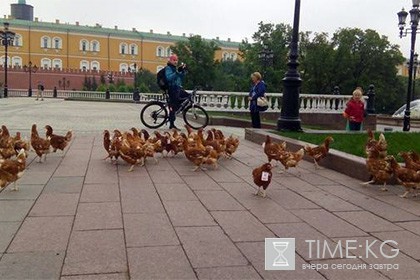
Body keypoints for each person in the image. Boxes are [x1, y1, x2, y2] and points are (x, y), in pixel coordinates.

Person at [165, 54, 188, 130]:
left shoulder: (175, 68)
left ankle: (176, 109)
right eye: (173, 60)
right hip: (172, 89)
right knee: (173, 106)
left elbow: (180, 77)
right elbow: (169, 78)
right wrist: (177, 72)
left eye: (176, 60)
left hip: (178, 88)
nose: (175, 61)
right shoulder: (168, 68)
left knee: (188, 96)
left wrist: (183, 71)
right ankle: (172, 124)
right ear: (170, 60)